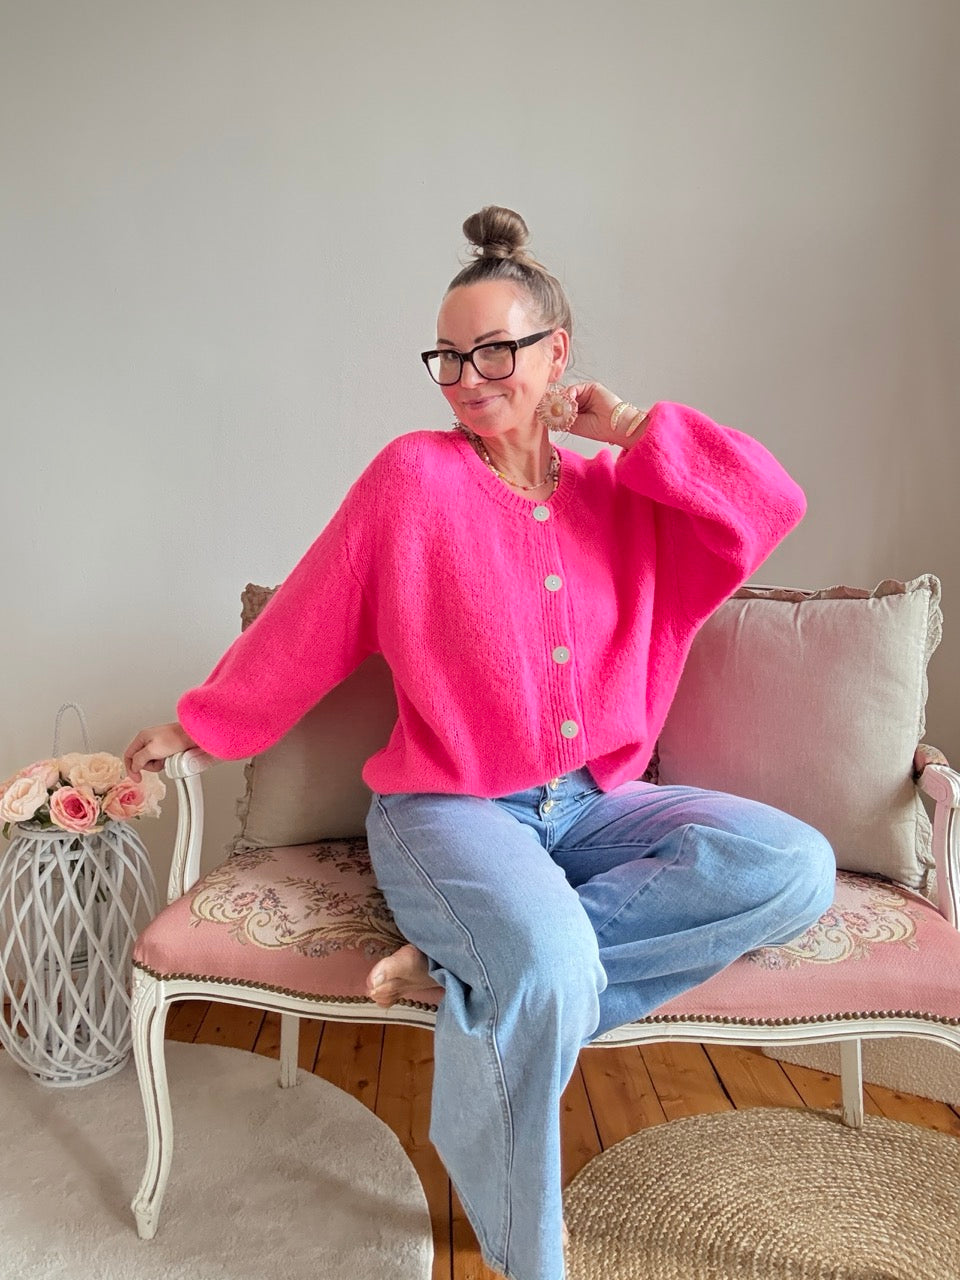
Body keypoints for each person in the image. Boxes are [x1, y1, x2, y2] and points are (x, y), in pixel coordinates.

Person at [124, 206, 836, 1280]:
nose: (467, 377)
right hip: (449, 811)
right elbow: (308, 617)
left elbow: (768, 501)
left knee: (792, 864)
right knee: (547, 965)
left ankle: (470, 973)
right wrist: (200, 722)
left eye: (496, 349)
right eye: (449, 356)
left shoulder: (622, 495)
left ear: (557, 354)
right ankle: (527, 1253)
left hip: (594, 804)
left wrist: (632, 427)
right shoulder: (413, 479)